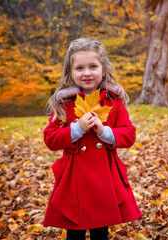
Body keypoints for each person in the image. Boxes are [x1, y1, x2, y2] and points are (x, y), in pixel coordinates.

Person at [43, 38, 142, 240]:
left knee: (100, 230)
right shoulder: (65, 102)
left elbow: (129, 134)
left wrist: (105, 133)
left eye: (93, 66)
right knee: (75, 229)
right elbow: (50, 138)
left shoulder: (113, 100)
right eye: (79, 68)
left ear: (103, 69)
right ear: (70, 72)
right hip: (74, 176)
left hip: (104, 174)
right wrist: (76, 129)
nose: (86, 72)